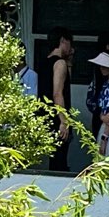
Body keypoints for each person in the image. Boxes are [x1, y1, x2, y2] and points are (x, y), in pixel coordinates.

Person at [45, 32, 75, 173]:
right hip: (57, 118)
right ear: (63, 40)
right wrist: (63, 120)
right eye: (69, 43)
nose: (70, 48)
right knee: (59, 159)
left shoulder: (45, 61)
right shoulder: (59, 63)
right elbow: (58, 93)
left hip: (45, 116)